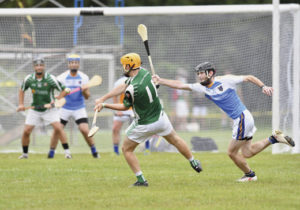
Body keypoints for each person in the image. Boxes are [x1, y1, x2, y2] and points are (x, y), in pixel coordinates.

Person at [153, 61, 295, 182]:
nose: (199, 76)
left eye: (201, 73)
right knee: (247, 152)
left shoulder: (226, 80)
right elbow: (180, 85)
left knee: (231, 153)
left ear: (210, 73)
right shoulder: (201, 87)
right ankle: (274, 138)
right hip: (243, 119)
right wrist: (161, 81)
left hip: (242, 119)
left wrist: (263, 87)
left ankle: (250, 175)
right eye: (198, 74)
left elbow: (249, 77)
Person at [94, 53, 202, 187]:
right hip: (161, 118)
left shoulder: (132, 89)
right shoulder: (145, 73)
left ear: (129, 66)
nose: (123, 67)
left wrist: (105, 105)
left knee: (126, 149)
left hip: (145, 124)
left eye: (124, 65)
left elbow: (124, 106)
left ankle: (141, 180)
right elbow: (123, 86)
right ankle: (193, 161)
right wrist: (103, 98)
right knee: (175, 139)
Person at [17, 56, 72, 159]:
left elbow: (65, 89)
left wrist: (58, 99)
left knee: (58, 128)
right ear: (34, 67)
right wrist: (21, 104)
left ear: (44, 66)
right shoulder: (29, 79)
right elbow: (22, 90)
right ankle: (25, 154)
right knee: (26, 131)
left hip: (50, 110)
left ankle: (67, 153)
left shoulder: (50, 78)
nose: (39, 67)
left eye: (41, 65)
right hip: (35, 110)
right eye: (37, 65)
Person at [49, 54, 99, 158]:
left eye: (76, 63)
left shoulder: (84, 77)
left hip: (79, 108)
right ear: (68, 64)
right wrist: (56, 97)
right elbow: (57, 93)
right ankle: (51, 153)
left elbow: (87, 97)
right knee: (57, 129)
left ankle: (94, 152)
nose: (74, 65)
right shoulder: (61, 78)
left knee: (84, 130)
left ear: (78, 64)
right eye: (72, 63)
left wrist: (84, 90)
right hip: (64, 108)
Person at [112, 76, 134, 155]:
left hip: (134, 109)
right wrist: (118, 110)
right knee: (115, 129)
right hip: (122, 108)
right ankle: (116, 151)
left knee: (144, 129)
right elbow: (115, 95)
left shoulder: (140, 79)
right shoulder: (119, 81)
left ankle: (147, 149)